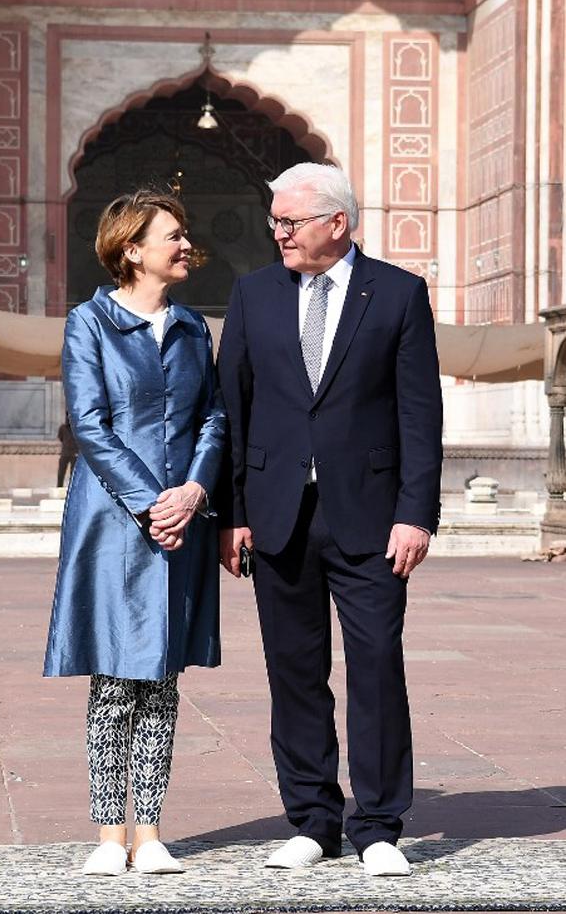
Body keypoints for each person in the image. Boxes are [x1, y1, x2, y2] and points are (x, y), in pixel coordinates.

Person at [217, 163, 442, 876]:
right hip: (278, 516)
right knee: (294, 670)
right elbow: (234, 409)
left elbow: (419, 412)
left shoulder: (399, 294)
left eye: (290, 222)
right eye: (275, 222)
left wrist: (416, 514)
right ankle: (313, 820)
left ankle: (377, 825)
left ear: (335, 224)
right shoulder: (254, 295)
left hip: (373, 520)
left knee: (376, 665)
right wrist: (234, 514)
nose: (277, 233)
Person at [44, 190, 225, 876]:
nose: (185, 245)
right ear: (132, 248)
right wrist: (154, 503)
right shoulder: (89, 323)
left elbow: (213, 417)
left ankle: (150, 832)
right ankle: (107, 833)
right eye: (172, 235)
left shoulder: (190, 329)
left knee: (160, 679)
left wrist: (196, 490)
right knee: (115, 678)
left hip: (183, 517)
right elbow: (90, 424)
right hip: (115, 521)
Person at [56, 413, 78, 487]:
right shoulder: (62, 428)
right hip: (65, 453)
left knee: (73, 473)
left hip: (75, 453)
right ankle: (59, 486)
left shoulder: (76, 428)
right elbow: (60, 438)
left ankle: (72, 488)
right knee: (61, 472)